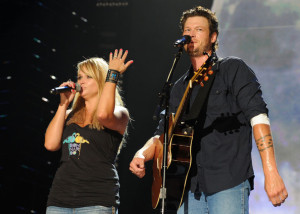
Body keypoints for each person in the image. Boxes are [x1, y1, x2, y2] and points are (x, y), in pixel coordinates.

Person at [129, 6, 288, 214]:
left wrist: (271, 171)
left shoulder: (232, 69)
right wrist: (141, 154)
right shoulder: (178, 87)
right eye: (187, 30)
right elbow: (161, 135)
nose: (191, 34)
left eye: (199, 29)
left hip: (227, 181)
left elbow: (258, 117)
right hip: (187, 187)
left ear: (213, 37)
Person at [44, 49, 133, 214]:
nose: (81, 82)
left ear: (101, 80)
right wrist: (63, 105)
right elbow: (50, 144)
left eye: (88, 77)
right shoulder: (69, 115)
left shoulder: (120, 113)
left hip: (96, 201)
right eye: (79, 77)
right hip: (60, 200)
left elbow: (103, 115)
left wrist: (112, 74)